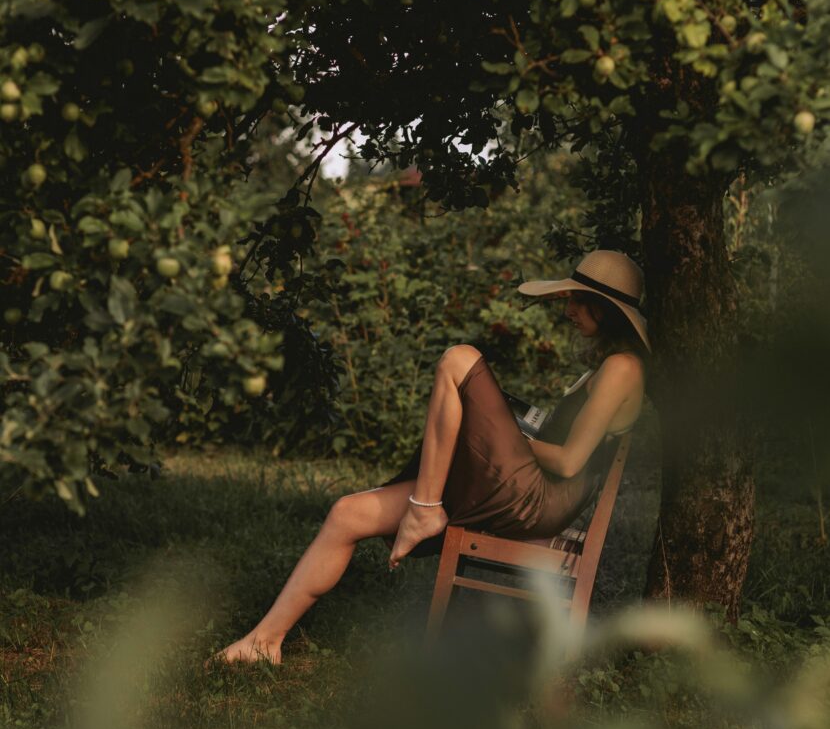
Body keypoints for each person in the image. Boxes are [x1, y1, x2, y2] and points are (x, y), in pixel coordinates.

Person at [215, 249, 649, 665]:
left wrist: (504, 438)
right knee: (347, 514)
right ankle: (263, 642)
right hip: (522, 487)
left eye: (577, 300)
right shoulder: (606, 366)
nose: (567, 309)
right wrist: (500, 433)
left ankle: (425, 510)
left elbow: (571, 462)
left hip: (537, 502)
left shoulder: (623, 368)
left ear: (604, 309)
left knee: (460, 359)